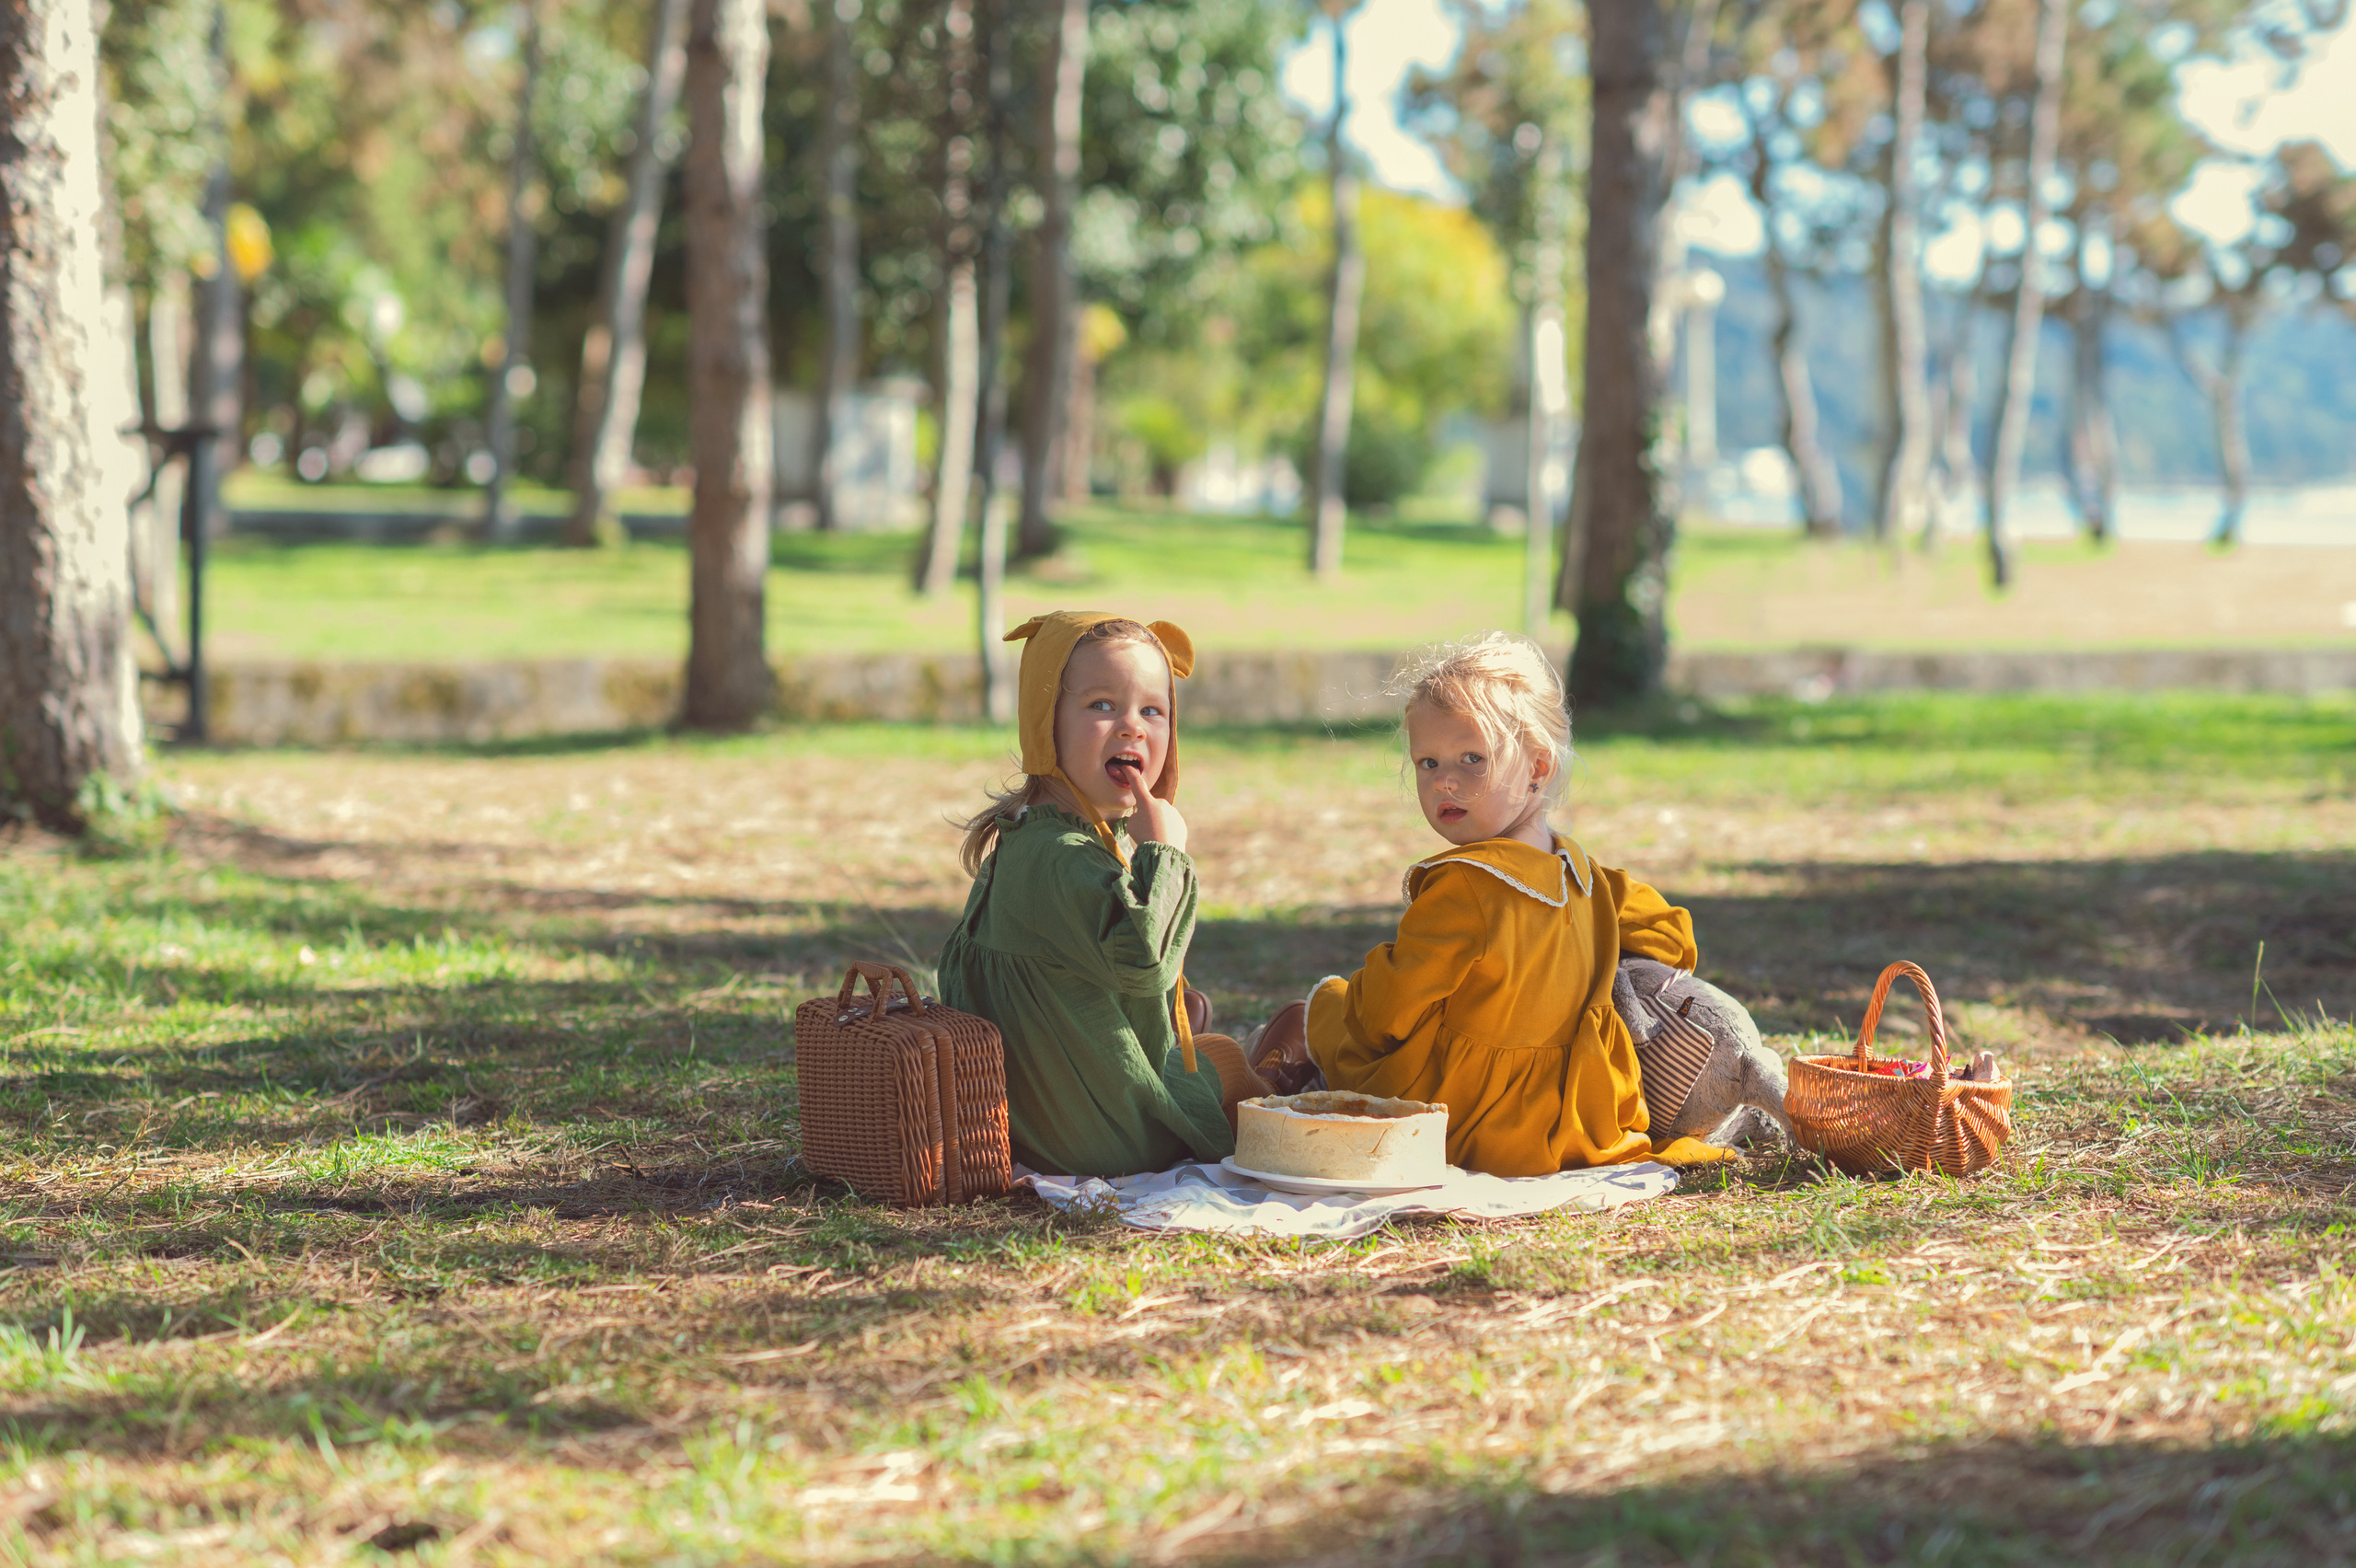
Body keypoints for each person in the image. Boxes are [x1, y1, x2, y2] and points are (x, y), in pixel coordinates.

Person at [1260, 632, 1724, 1177]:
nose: (1445, 782)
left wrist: (1356, 1002)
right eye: (1427, 763)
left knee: (1334, 1003)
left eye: (1471, 758)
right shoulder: (1584, 873)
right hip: (1577, 1121)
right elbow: (1673, 937)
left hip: (1464, 1120)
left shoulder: (1466, 888)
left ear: (1538, 768)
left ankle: (1286, 1066)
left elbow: (1387, 1013)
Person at [936, 611, 1265, 1178]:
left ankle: (1227, 1048)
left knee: (1203, 1044)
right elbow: (1145, 965)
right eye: (1102, 706)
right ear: (1045, 724)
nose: (1133, 727)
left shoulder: (1028, 840)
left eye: (1152, 711)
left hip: (1051, 1119)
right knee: (1228, 1065)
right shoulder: (1062, 858)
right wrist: (1167, 856)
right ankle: (1282, 1078)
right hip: (1108, 1138)